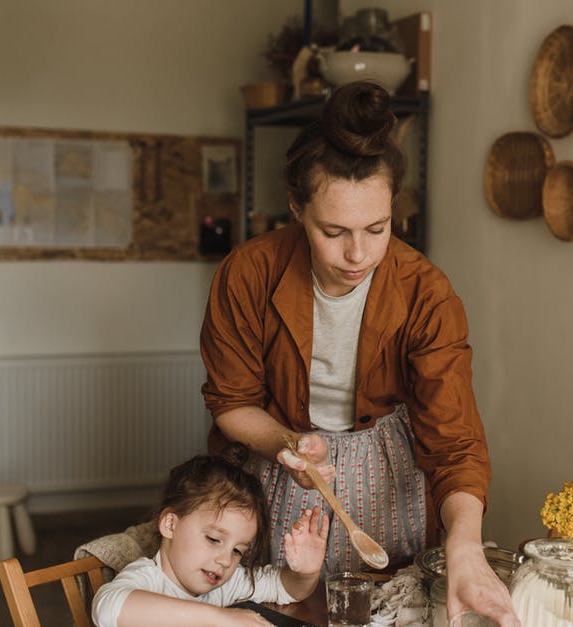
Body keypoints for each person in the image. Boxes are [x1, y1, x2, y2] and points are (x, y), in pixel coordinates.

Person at [200, 80, 520, 626]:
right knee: (283, 604)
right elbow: (231, 403)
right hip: (282, 463)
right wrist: (289, 442)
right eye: (333, 231)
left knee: (380, 607)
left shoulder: (426, 292)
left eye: (378, 228)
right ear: (297, 207)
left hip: (387, 469)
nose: (357, 255)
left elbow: (455, 442)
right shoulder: (249, 272)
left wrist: (465, 544)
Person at [91, 453, 328, 627]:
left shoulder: (226, 583)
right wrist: (221, 617)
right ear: (170, 525)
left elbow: (283, 587)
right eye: (214, 539)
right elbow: (108, 606)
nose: (226, 560)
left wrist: (305, 573)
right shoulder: (149, 578)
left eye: (238, 551)